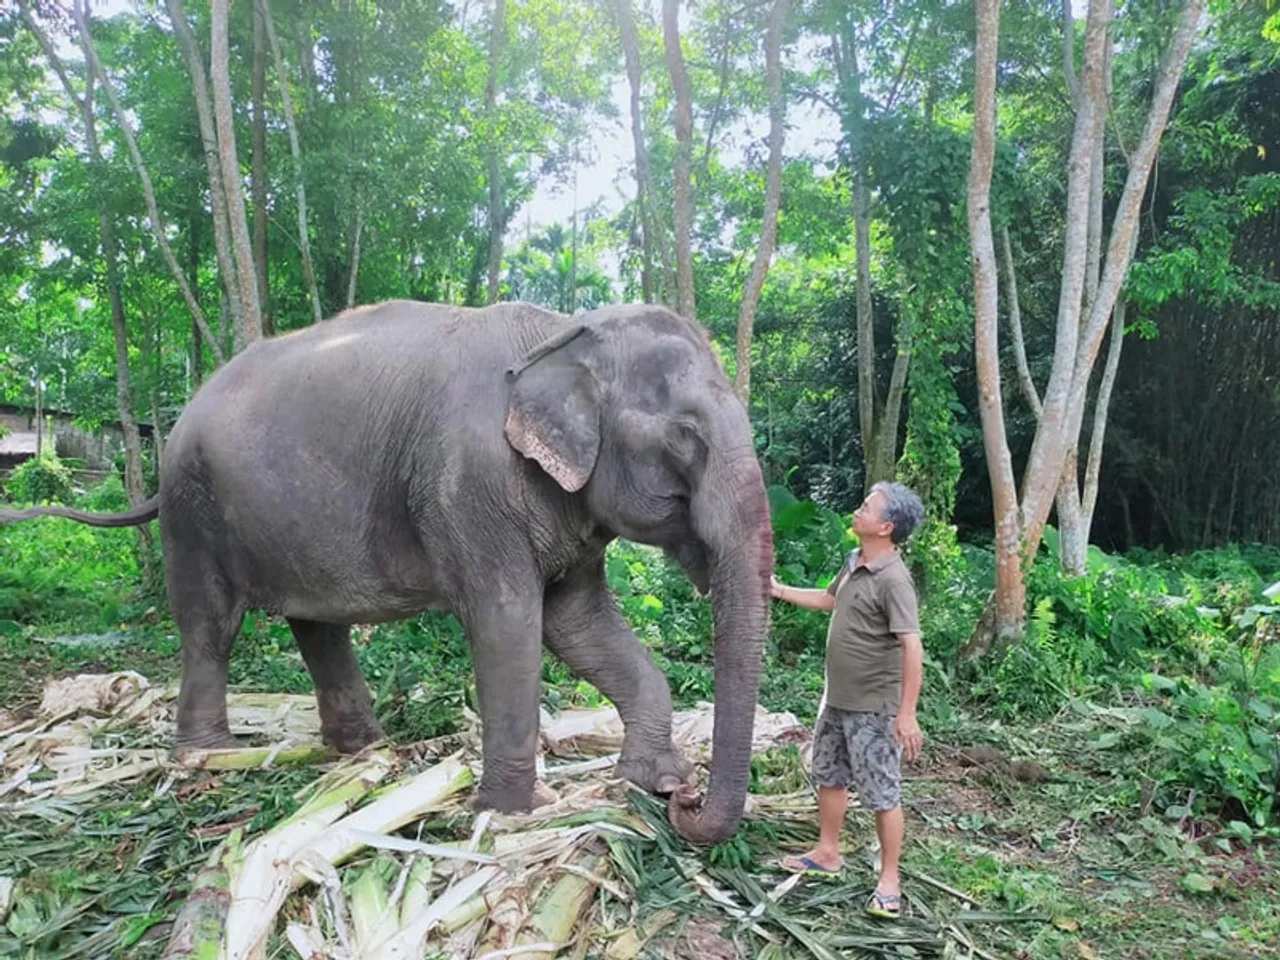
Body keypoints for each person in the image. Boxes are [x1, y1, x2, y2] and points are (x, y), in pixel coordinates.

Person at [770, 481, 925, 919]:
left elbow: (912, 646)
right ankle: (827, 852)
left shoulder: (894, 579)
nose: (856, 511)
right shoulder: (854, 561)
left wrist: (907, 714)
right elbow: (828, 599)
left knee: (881, 792)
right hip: (836, 699)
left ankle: (889, 880)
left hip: (874, 707)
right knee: (830, 775)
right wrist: (778, 590)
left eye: (866, 508)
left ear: (885, 527)